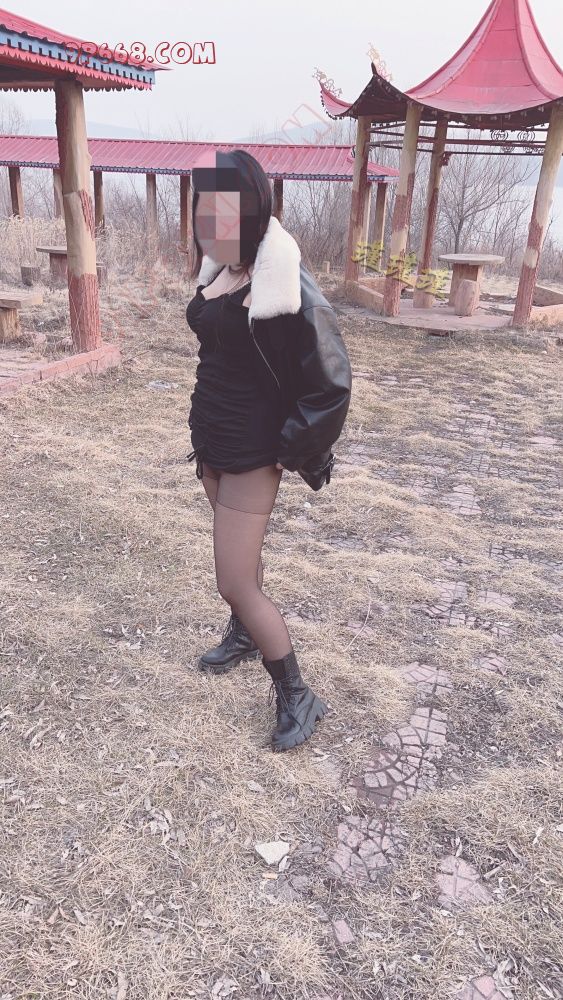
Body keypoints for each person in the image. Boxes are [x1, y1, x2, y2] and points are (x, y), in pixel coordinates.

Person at [185, 148, 352, 752]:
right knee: (242, 563)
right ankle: (243, 634)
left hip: (255, 448)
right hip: (213, 436)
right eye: (203, 208)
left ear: (253, 209)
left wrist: (295, 446)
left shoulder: (284, 279)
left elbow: (332, 380)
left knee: (235, 580)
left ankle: (297, 694)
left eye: (222, 209)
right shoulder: (219, 268)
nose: (208, 220)